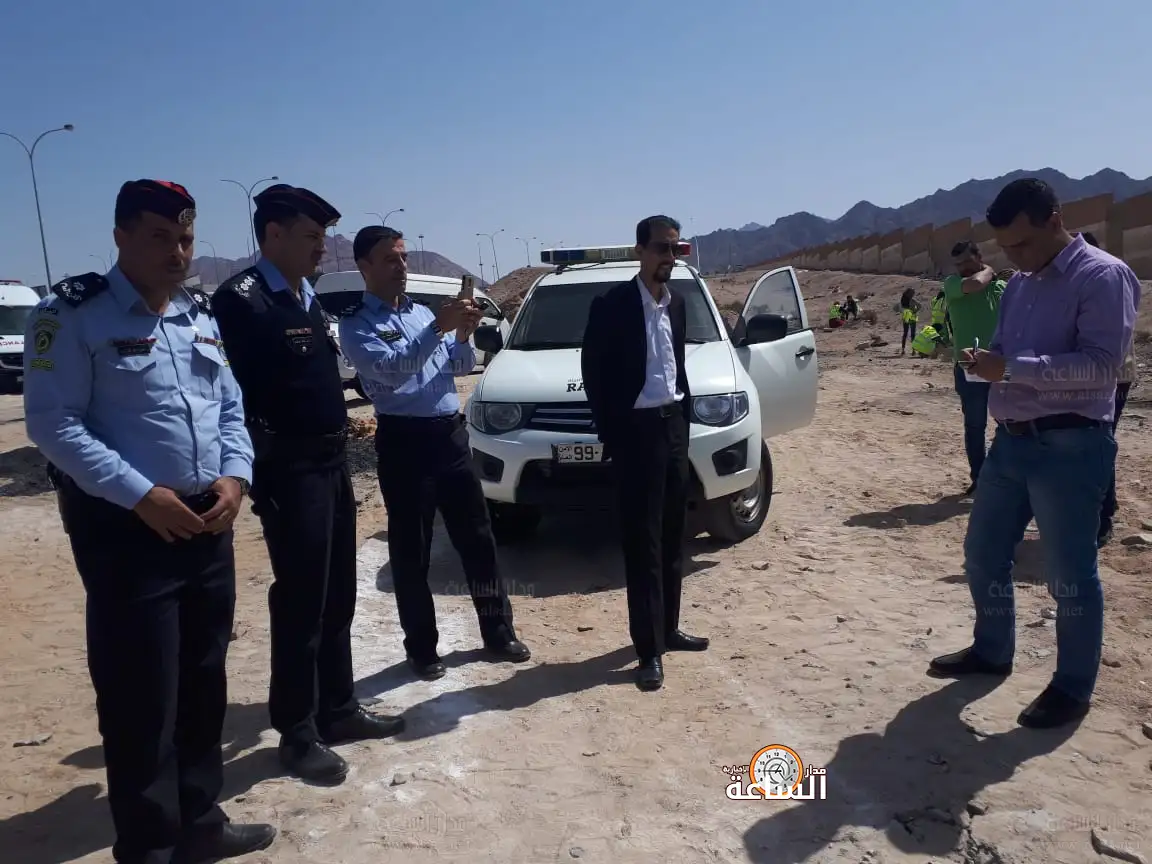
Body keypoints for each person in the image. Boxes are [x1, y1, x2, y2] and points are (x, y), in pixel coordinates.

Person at [23, 180, 276, 862]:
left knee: (203, 680)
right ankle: (150, 847)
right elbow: (53, 423)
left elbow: (229, 407)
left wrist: (235, 476)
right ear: (120, 237)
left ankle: (201, 822)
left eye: (185, 239)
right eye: (160, 237)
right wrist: (139, 494)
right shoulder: (72, 315)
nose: (178, 252)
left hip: (206, 524)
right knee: (141, 696)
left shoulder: (195, 314)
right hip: (126, 531)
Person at [211, 185, 404, 787]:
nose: (323, 248)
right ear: (273, 235)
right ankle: (297, 732)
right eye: (312, 237)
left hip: (330, 461)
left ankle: (338, 707)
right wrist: (257, 471)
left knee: (337, 592)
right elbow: (234, 397)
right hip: (289, 470)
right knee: (301, 601)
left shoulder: (304, 294)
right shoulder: (242, 300)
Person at [930, 178, 1140, 729]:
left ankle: (1072, 686)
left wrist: (1013, 369)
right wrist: (988, 361)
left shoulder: (1104, 276)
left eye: (1022, 243)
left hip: (1071, 445)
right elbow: (1007, 350)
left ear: (1055, 220)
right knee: (982, 554)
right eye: (1006, 248)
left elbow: (1102, 366)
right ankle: (992, 650)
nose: (1015, 258)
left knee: (1069, 574)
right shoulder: (1021, 284)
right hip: (1012, 442)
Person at [338, 225, 531, 681]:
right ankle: (422, 648)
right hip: (405, 443)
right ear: (365, 266)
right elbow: (394, 371)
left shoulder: (421, 313)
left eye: (403, 257)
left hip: (450, 437)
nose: (401, 266)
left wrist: (462, 335)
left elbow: (459, 366)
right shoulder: (357, 324)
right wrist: (438, 329)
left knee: (478, 540)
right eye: (390, 259)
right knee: (412, 551)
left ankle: (498, 632)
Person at [580, 215, 710, 691]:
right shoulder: (612, 305)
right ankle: (648, 650)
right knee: (644, 546)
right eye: (660, 248)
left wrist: (684, 421)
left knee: (675, 535)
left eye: (675, 249)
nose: (668, 258)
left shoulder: (678, 304)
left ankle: (669, 628)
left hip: (673, 428)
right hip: (635, 434)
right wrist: (612, 435)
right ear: (639, 251)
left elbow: (676, 367)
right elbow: (593, 373)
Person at [1081, 232, 1136, 546]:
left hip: (1113, 375)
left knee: (1099, 443)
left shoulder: (1107, 277)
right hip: (1102, 374)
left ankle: (1103, 518)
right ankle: (1105, 507)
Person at [942, 240, 1007, 495]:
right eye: (959, 264)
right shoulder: (953, 284)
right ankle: (980, 479)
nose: (963, 268)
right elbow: (976, 283)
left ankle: (1002, 476)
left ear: (979, 257)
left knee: (1010, 424)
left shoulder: (999, 288)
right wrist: (989, 270)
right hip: (969, 368)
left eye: (968, 262)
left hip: (999, 366)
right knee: (975, 426)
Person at [899, 288, 919, 354]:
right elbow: (919, 306)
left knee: (905, 333)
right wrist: (915, 311)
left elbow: (901, 309)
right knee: (913, 334)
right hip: (912, 317)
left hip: (906, 317)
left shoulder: (903, 300)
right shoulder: (912, 300)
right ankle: (913, 350)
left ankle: (903, 349)